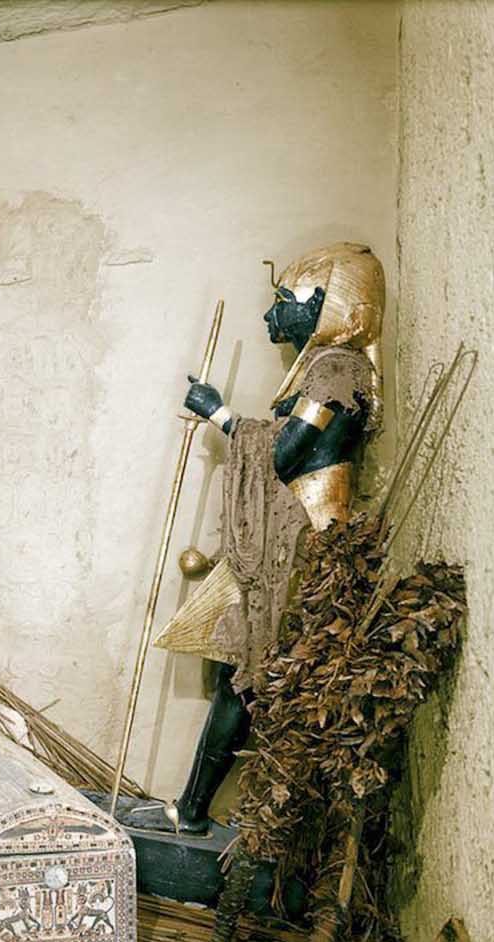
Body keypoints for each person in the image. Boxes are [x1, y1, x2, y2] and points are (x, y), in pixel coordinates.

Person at [126, 243, 386, 835]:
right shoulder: (326, 371)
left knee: (250, 683)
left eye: (284, 303)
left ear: (329, 307)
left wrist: (218, 415)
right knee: (236, 680)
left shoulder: (337, 370)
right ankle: (192, 808)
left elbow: (285, 452)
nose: (271, 318)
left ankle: (204, 814)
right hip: (290, 541)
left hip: (301, 546)